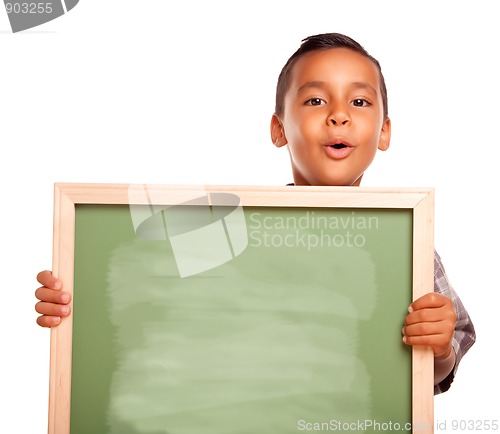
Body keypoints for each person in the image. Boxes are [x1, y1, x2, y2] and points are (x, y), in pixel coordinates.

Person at [35, 33, 475, 395]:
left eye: (359, 103)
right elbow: (142, 290)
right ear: (278, 128)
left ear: (384, 132)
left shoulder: (409, 245)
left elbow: (435, 372)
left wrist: (439, 350)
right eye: (315, 101)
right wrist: (75, 301)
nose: (339, 116)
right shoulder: (226, 227)